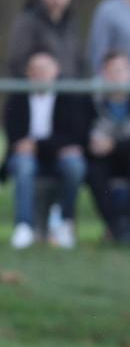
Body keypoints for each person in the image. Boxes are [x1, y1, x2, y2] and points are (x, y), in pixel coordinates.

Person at [2, 50, 86, 249]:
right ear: (28, 73)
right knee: (24, 164)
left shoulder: (68, 98)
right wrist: (52, 147)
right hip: (27, 158)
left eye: (45, 69)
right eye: (36, 69)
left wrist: (37, 145)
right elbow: (15, 138)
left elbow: (73, 137)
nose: (40, 74)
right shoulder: (17, 98)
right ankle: (24, 227)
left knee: (74, 165)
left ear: (56, 71)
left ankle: (65, 224)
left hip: (57, 158)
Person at [85, 51, 130, 244]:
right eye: (112, 70)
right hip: (104, 158)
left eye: (122, 70)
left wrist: (114, 146)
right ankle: (117, 226)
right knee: (94, 171)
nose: (118, 75)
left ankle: (128, 225)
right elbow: (84, 138)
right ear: (103, 73)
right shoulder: (91, 99)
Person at [7, 0, 83, 79]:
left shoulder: (72, 23)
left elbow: (78, 62)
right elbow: (17, 63)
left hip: (68, 94)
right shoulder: (27, 22)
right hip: (37, 94)